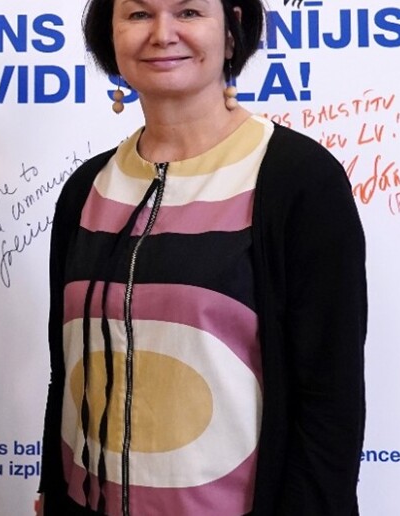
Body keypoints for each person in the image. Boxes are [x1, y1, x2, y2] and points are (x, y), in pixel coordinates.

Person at [38, 0, 367, 514]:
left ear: (231, 32)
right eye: (138, 15)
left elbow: (329, 396)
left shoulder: (297, 178)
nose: (162, 33)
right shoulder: (88, 188)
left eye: (189, 12)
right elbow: (66, 371)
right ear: (110, 35)